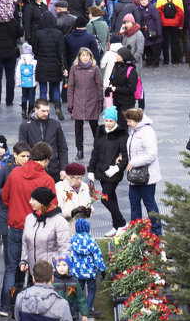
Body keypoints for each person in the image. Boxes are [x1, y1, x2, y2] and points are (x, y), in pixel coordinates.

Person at [0, 142, 56, 316]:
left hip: (15, 227)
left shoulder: (15, 173)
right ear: (45, 160)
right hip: (37, 230)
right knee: (35, 267)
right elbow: (52, 206)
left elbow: (4, 196)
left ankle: (6, 306)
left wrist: (15, 209)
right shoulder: (47, 180)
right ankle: (32, 305)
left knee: (11, 267)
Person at [88, 107, 128, 236]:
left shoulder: (122, 134)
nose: (108, 123)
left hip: (113, 173)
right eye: (106, 120)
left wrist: (118, 167)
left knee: (105, 198)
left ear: (115, 121)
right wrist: (91, 170)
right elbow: (95, 152)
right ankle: (116, 225)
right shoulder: (100, 131)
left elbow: (126, 155)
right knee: (112, 198)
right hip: (101, 172)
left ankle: (122, 223)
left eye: (111, 121)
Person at [123, 108, 162, 235]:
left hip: (147, 176)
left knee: (149, 203)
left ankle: (156, 232)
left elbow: (151, 154)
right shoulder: (134, 131)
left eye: (129, 121)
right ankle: (135, 231)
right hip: (135, 176)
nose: (127, 124)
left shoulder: (147, 132)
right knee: (134, 203)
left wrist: (133, 162)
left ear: (137, 120)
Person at [65, 47, 103, 161]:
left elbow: (99, 86)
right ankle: (79, 150)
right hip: (78, 101)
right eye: (83, 55)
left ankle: (98, 149)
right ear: (79, 57)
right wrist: (70, 103)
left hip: (92, 101)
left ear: (90, 57)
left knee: (94, 126)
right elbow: (70, 86)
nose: (85, 58)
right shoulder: (74, 68)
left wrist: (100, 101)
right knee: (78, 127)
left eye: (87, 55)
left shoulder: (95, 68)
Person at [21, 187, 70, 273]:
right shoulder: (29, 219)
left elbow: (64, 249)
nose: (30, 202)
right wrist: (24, 261)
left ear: (42, 203)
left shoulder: (59, 221)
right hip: (33, 273)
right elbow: (25, 244)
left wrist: (61, 270)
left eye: (33, 199)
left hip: (51, 274)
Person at [18, 99, 69, 179]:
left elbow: (63, 147)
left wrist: (64, 168)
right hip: (34, 170)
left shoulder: (55, 124)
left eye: (48, 111)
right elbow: (22, 149)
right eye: (43, 111)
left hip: (54, 169)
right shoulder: (25, 126)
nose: (46, 113)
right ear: (36, 109)